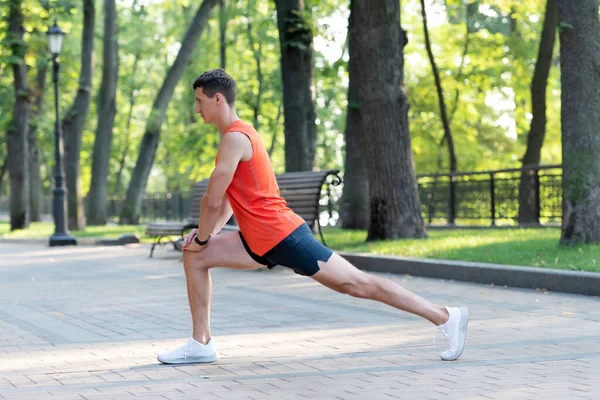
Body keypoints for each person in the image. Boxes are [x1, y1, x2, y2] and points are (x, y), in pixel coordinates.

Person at [157, 69, 468, 365]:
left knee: (357, 284)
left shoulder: (235, 138)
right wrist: (204, 241)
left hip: (283, 236)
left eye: (199, 100)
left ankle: (444, 316)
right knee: (195, 257)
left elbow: (212, 201)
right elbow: (226, 200)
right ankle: (201, 343)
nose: (196, 108)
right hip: (259, 239)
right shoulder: (236, 137)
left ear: (217, 99)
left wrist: (202, 237)